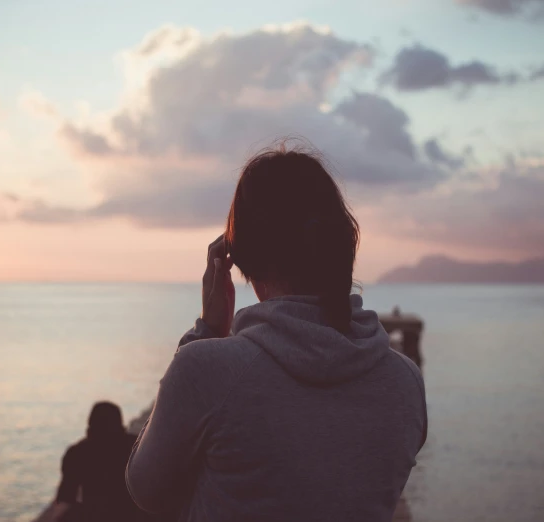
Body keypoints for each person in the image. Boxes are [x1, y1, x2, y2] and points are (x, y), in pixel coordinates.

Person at [126, 143, 428, 522]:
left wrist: (207, 330)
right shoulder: (405, 382)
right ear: (341, 246)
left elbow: (146, 490)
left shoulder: (206, 368)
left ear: (239, 256)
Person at [50, 402, 145, 522]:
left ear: (90, 428)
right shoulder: (135, 446)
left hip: (93, 516)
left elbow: (65, 501)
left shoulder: (77, 453)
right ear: (120, 426)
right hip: (134, 516)